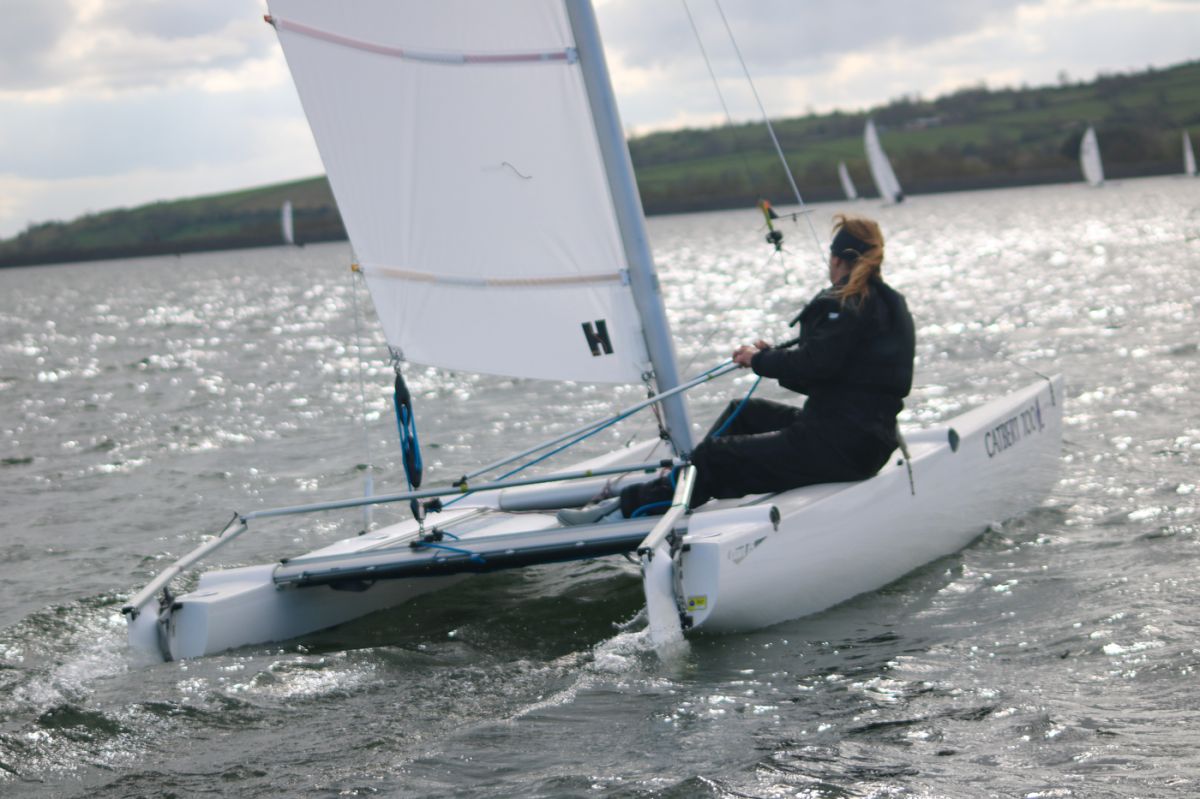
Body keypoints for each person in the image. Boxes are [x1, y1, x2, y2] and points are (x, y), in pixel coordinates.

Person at [558, 213, 915, 525]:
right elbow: (831, 375)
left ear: (836, 259)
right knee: (743, 412)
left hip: (839, 446)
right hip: (861, 441)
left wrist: (758, 360)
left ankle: (630, 508)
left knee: (715, 454)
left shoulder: (848, 305)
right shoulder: (889, 304)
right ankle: (681, 483)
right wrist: (770, 359)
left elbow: (814, 364)